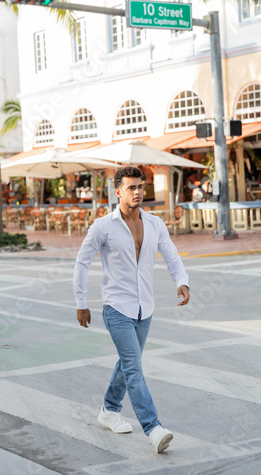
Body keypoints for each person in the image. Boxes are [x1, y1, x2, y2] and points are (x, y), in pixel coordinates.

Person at [73, 166, 190, 453]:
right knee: (134, 367)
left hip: (144, 308)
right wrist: (81, 303)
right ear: (118, 191)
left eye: (141, 187)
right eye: (131, 188)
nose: (138, 192)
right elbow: (81, 262)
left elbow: (172, 254)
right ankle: (153, 428)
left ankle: (109, 409)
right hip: (116, 307)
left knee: (128, 362)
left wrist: (182, 282)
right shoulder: (103, 226)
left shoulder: (154, 224)